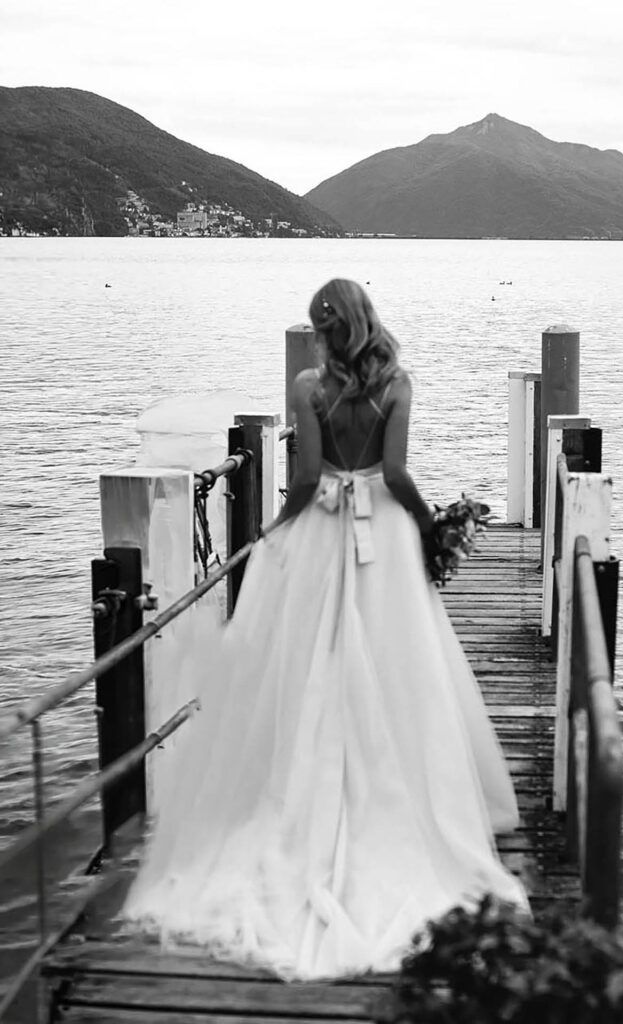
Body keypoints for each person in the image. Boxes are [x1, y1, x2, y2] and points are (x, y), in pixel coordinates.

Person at [122, 278, 528, 979]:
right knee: (400, 658)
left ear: (322, 327)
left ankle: (301, 790)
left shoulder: (310, 386)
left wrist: (276, 532)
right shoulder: (397, 384)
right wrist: (429, 524)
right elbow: (395, 474)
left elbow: (307, 479)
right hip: (383, 535)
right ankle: (400, 794)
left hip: (322, 531)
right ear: (368, 319)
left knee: (308, 654)